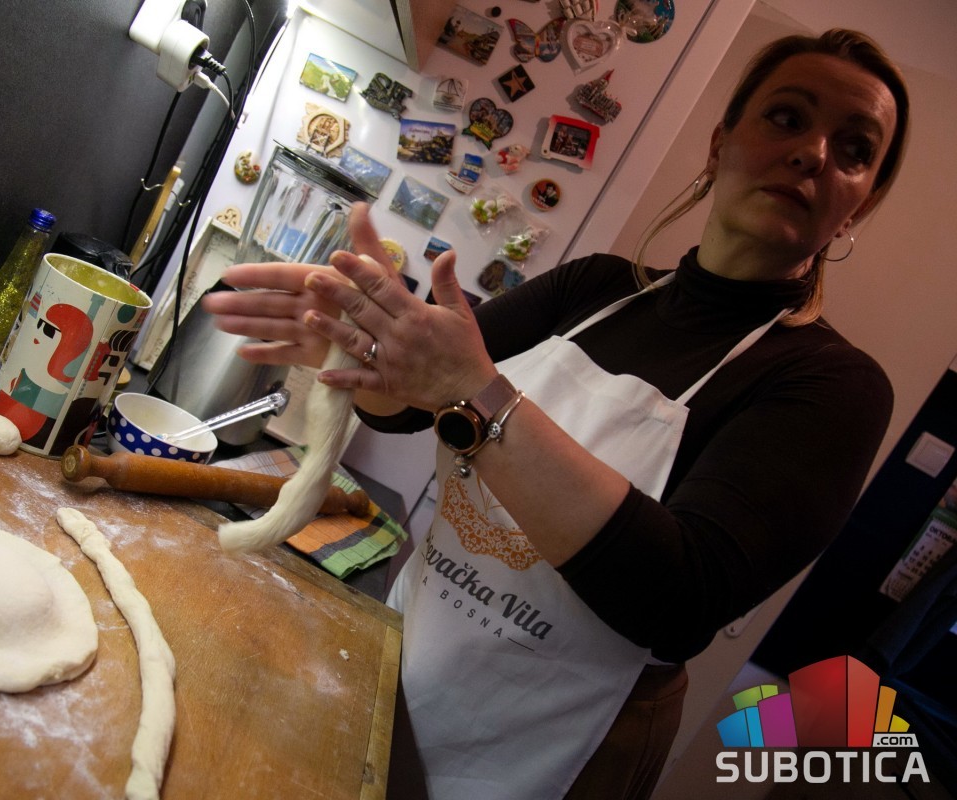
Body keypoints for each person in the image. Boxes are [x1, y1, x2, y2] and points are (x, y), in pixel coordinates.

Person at [202, 28, 910, 799]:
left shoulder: (833, 387)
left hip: (550, 747)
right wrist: (359, 351)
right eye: (787, 118)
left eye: (854, 149)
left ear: (860, 206)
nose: (813, 153)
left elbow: (679, 599)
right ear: (719, 145)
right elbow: (406, 410)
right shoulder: (595, 289)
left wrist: (473, 392)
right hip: (407, 655)